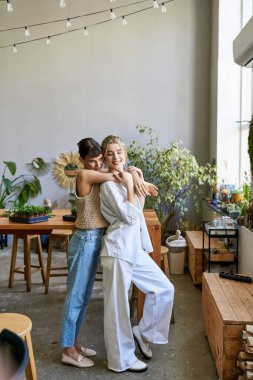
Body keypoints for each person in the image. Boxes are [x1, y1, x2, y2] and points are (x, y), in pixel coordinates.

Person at [60, 137, 157, 369]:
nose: (96, 165)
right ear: (82, 160)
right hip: (85, 240)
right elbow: (115, 175)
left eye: (99, 160)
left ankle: (74, 342)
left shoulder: (100, 171)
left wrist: (132, 174)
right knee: (75, 297)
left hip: (97, 241)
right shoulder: (84, 175)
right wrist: (132, 175)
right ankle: (67, 350)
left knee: (84, 299)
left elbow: (117, 175)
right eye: (91, 161)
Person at [100, 135, 174, 373]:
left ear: (125, 153)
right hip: (118, 249)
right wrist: (131, 185)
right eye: (110, 153)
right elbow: (130, 218)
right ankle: (121, 361)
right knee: (118, 309)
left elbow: (138, 211)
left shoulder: (128, 177)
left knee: (164, 288)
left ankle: (143, 333)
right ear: (104, 156)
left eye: (119, 151)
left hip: (134, 249)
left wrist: (138, 182)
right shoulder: (109, 185)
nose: (115, 157)